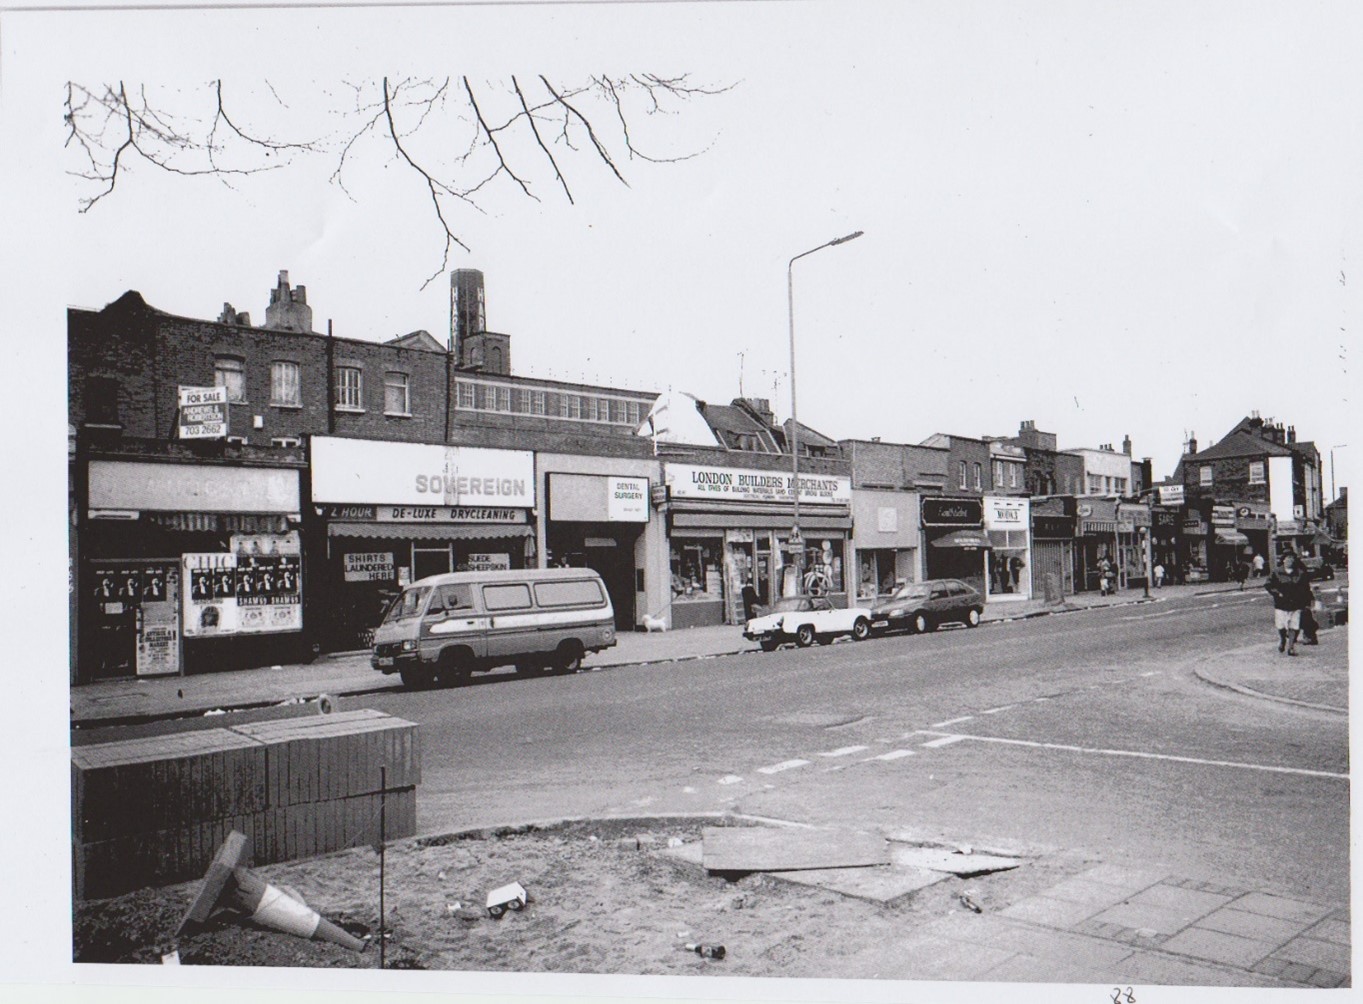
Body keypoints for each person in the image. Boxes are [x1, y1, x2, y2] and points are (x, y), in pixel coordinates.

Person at [1264, 551, 1313, 656]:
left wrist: (1307, 602)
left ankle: (1291, 647)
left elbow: (1306, 588)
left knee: (1294, 626)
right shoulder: (1276, 572)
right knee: (1281, 626)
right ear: (1283, 560)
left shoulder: (1300, 573)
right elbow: (1268, 585)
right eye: (1287, 558)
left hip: (1296, 603)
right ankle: (1283, 640)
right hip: (1281, 604)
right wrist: (1277, 593)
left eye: (1291, 558)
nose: (1289, 560)